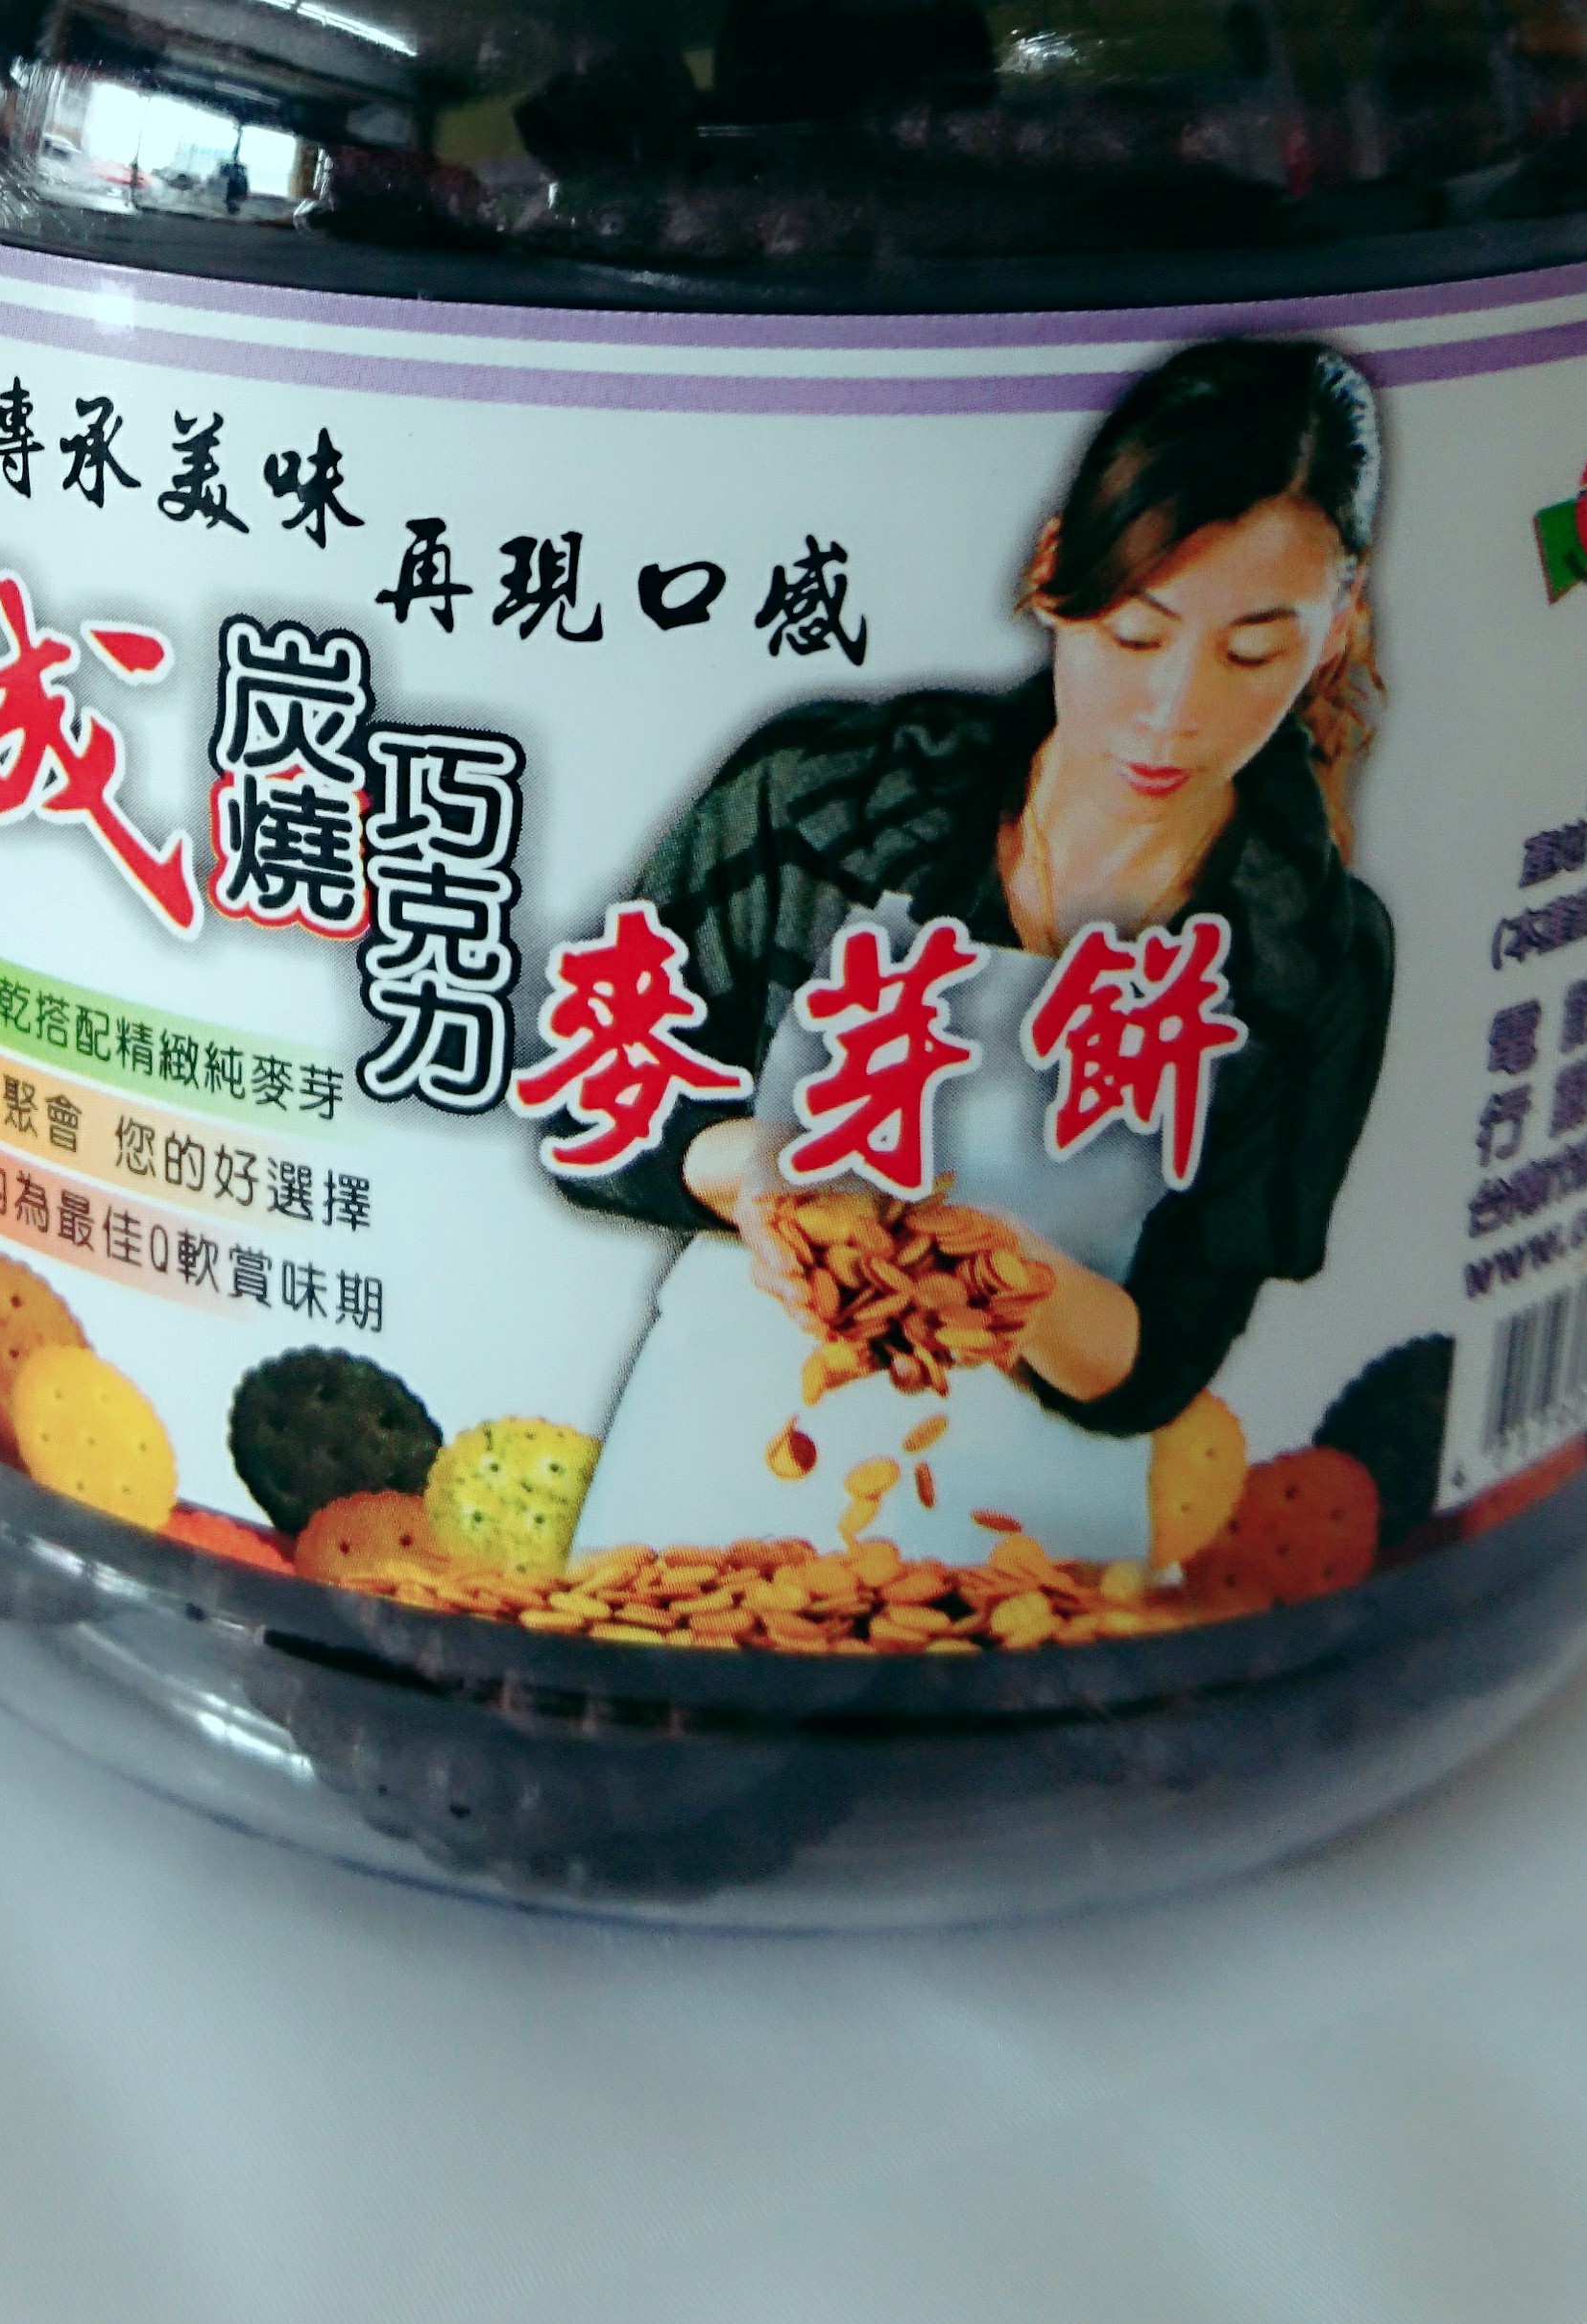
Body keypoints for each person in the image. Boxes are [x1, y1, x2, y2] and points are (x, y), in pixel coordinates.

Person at [555, 338, 1397, 1569]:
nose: (1174, 712)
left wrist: (1000, 1274)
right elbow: (591, 1095)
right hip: (699, 1488)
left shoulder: (1311, 958)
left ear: (1336, 630)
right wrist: (755, 1173)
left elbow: (1164, 1357)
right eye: (1136, 634)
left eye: (1252, 653)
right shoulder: (823, 803)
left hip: (1040, 1553)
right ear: (1056, 571)